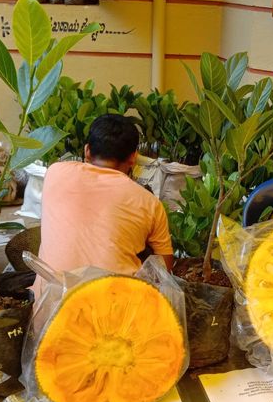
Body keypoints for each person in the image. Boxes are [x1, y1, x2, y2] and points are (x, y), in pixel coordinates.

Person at [35, 114, 173, 297]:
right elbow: (165, 268)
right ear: (133, 158)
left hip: (49, 312)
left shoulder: (55, 172)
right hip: (116, 315)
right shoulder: (149, 202)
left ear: (87, 151)